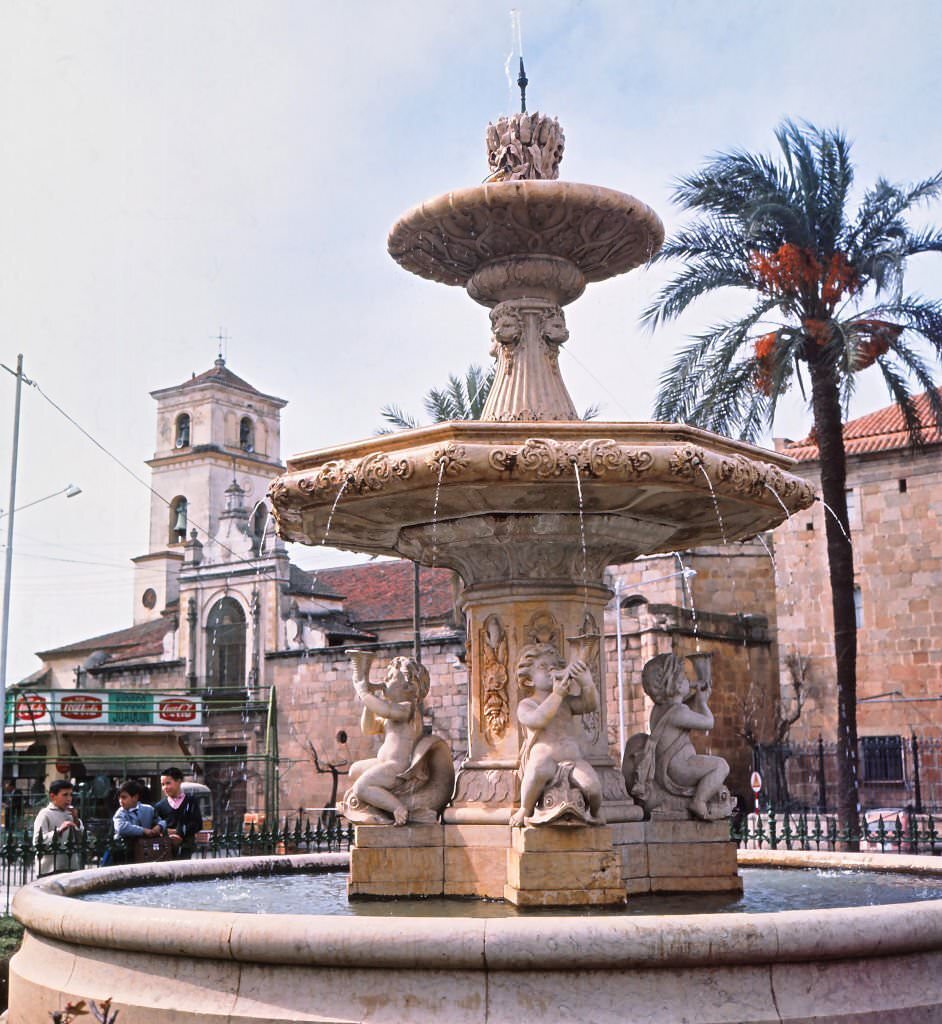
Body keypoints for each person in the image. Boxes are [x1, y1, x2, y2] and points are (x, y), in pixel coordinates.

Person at [509, 644, 604, 827]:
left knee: (593, 788)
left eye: (554, 666)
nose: (550, 670)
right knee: (536, 772)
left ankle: (596, 812)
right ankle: (525, 809)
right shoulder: (527, 704)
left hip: (572, 759)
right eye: (543, 667)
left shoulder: (566, 703)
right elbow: (539, 720)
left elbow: (590, 705)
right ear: (529, 681)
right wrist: (558, 694)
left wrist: (586, 683)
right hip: (545, 759)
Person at [636, 653, 730, 821]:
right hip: (679, 769)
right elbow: (708, 723)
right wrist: (702, 703)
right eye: (684, 676)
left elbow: (685, 709)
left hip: (671, 767)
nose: (689, 680)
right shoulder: (678, 713)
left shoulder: (661, 710)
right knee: (721, 766)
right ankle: (699, 801)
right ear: (675, 685)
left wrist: (698, 696)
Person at [346, 655, 429, 825]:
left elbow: (385, 709)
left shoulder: (408, 709)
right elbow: (368, 728)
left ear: (408, 687)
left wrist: (363, 692)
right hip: (383, 763)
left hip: (398, 767)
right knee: (354, 770)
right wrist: (368, 701)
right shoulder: (391, 715)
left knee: (361, 787)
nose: (384, 680)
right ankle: (377, 805)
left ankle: (397, 808)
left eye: (390, 678)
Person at [33, 779, 85, 874]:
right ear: (53, 796)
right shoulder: (45, 814)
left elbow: (82, 841)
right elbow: (37, 842)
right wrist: (59, 831)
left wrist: (76, 820)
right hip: (50, 870)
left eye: (70, 795)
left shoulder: (71, 814)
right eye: (65, 795)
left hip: (71, 867)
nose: (69, 799)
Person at [154, 767, 203, 859]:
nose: (165, 787)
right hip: (165, 847)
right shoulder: (159, 806)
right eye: (162, 784)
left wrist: (179, 833)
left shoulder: (190, 802)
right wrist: (168, 835)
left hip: (186, 846)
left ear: (179, 781)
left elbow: (197, 824)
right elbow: (156, 826)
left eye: (168, 783)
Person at [112, 780, 166, 858]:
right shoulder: (120, 813)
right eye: (119, 798)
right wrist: (143, 831)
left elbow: (162, 821)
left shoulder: (148, 809)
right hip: (125, 851)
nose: (121, 801)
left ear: (135, 797)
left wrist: (159, 827)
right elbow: (121, 827)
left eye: (124, 797)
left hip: (145, 850)